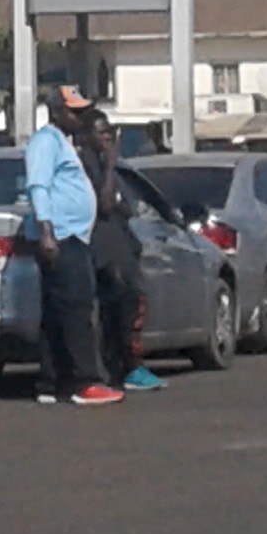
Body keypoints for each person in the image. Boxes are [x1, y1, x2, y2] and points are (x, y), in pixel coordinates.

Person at [24, 86, 119, 407]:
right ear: (55, 112)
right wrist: (47, 232)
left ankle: (52, 382)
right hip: (62, 237)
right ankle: (85, 381)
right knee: (77, 309)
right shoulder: (45, 142)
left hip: (74, 235)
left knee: (56, 313)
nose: (79, 117)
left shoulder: (63, 143)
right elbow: (38, 186)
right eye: (73, 111)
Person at [80, 109, 164, 393]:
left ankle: (126, 364)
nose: (107, 138)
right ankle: (124, 366)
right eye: (101, 132)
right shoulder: (89, 164)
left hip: (121, 244)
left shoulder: (105, 164)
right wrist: (111, 166)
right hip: (103, 249)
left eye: (109, 132)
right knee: (117, 306)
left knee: (129, 305)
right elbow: (103, 205)